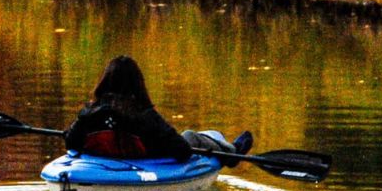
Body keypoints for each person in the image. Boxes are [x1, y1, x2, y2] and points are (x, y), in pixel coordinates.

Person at [62, 55, 254, 162]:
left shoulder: (88, 113)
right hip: (146, 162)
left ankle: (228, 148)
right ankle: (232, 153)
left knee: (200, 136)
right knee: (190, 136)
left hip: (104, 163)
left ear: (104, 82)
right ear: (138, 84)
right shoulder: (145, 115)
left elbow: (71, 142)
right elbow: (183, 151)